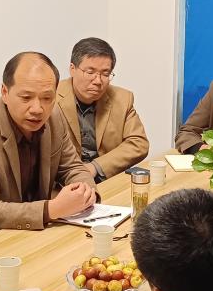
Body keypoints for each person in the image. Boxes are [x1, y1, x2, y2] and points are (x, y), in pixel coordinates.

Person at [0, 52, 97, 232]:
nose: (37, 109)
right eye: (26, 98)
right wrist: (51, 209)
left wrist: (86, 192)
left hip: (36, 231)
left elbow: (72, 167)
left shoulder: (54, 116)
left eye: (47, 98)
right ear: (5, 92)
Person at [55, 37, 149, 182]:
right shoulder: (52, 97)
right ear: (72, 69)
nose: (98, 81)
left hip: (106, 178)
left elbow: (139, 144)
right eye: (90, 72)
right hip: (63, 182)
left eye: (105, 74)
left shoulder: (122, 99)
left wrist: (95, 167)